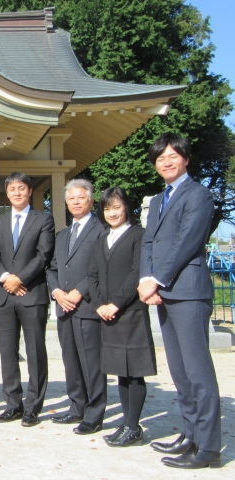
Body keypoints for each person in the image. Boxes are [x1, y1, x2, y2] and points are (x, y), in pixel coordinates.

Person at [138, 133, 221, 469]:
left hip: (189, 291)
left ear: (186, 158)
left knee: (198, 371)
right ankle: (191, 433)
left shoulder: (198, 194)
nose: (167, 162)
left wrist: (156, 279)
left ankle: (209, 447)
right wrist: (145, 279)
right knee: (180, 372)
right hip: (163, 293)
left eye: (173, 156)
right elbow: (149, 242)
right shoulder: (159, 199)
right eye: (161, 158)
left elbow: (187, 241)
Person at [88, 187, 156, 447]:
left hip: (130, 312)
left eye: (117, 207)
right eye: (107, 209)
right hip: (107, 314)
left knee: (134, 371)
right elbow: (92, 275)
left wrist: (115, 304)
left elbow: (137, 273)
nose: (112, 213)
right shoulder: (101, 240)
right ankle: (127, 423)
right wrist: (99, 305)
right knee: (120, 371)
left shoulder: (139, 235)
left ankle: (133, 427)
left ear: (127, 207)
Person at [0, 172, 55, 427]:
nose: (17, 192)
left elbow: (43, 254)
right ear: (7, 193)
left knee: (35, 351)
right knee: (8, 352)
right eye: (12, 189)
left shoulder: (44, 219)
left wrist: (20, 279)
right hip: (4, 296)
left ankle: (32, 407)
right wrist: (6, 278)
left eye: (21, 188)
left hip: (32, 294)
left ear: (29, 191)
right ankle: (13, 404)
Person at [46, 179, 107, 435]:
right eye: (71, 198)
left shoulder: (101, 230)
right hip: (63, 306)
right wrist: (57, 292)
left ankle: (94, 414)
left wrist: (79, 291)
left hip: (87, 305)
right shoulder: (62, 235)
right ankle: (76, 406)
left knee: (91, 362)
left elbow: (102, 267)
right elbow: (51, 268)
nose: (76, 202)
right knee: (70, 359)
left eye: (81, 197)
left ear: (91, 200)